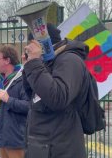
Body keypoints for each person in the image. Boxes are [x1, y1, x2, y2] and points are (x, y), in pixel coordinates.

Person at [23, 23, 88, 158]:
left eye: (32, 46)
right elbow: (33, 96)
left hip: (60, 148)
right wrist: (28, 67)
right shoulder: (46, 62)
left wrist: (34, 64)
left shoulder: (70, 60)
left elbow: (58, 98)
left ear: (42, 44)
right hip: (42, 146)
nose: (28, 50)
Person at [0, 45, 30, 158]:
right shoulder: (1, 82)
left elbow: (29, 106)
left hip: (16, 137)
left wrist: (8, 100)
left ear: (7, 60)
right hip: (3, 134)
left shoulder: (22, 80)